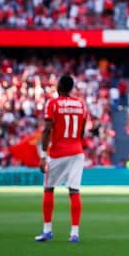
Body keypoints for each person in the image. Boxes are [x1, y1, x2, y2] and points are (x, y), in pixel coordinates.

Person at [35, 75, 88, 243]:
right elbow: (81, 132)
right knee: (74, 191)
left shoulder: (53, 103)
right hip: (77, 151)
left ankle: (47, 230)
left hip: (59, 153)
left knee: (49, 188)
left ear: (59, 86)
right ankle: (74, 233)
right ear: (71, 88)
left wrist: (43, 156)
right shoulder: (81, 104)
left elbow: (47, 130)